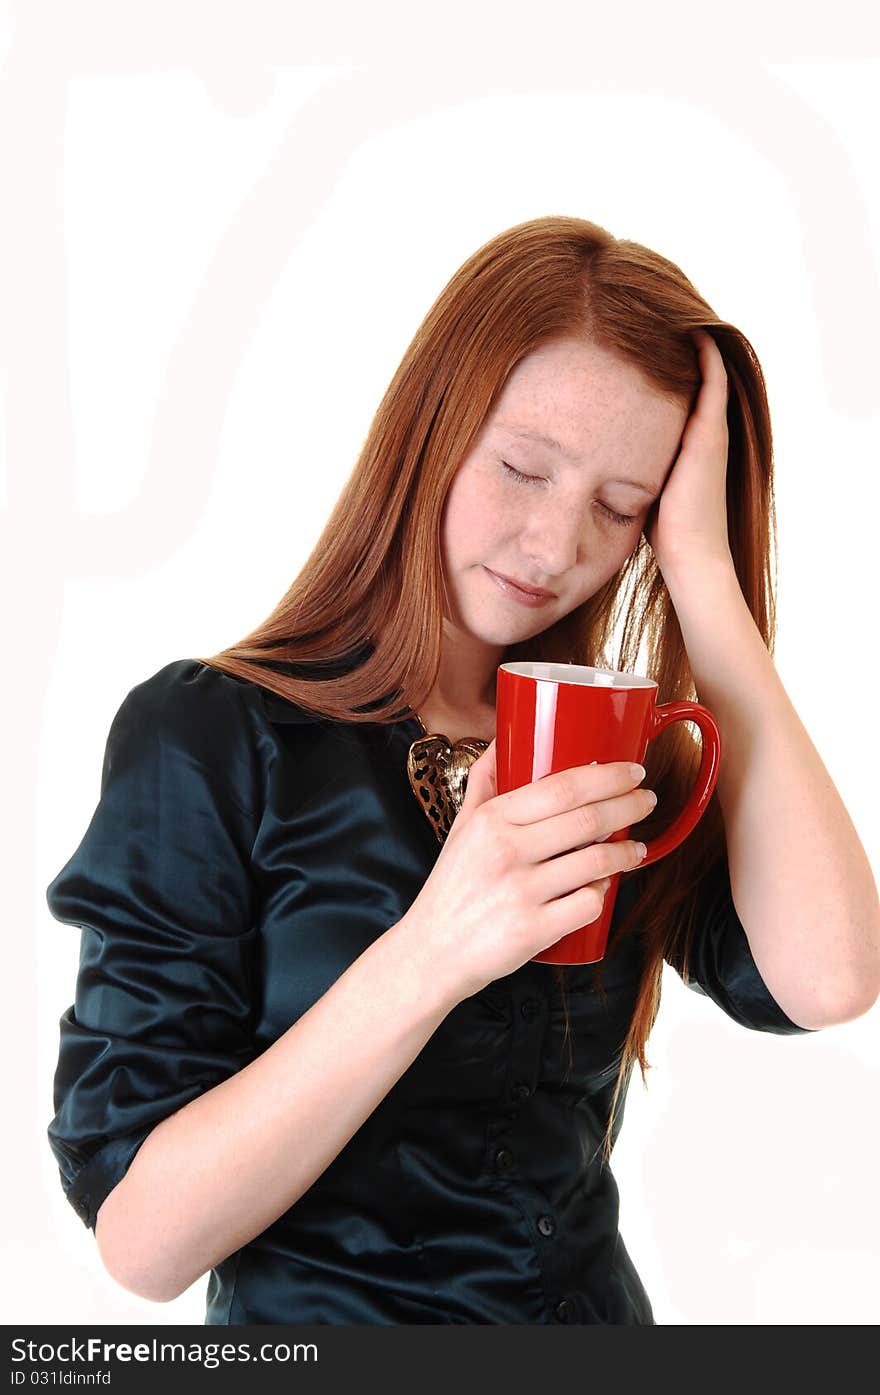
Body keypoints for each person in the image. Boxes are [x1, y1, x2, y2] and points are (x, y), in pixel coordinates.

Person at [45, 215, 879, 1325]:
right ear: (431, 430)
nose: (551, 547)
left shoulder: (608, 750)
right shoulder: (211, 737)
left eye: (619, 509)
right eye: (523, 469)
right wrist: (439, 945)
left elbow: (828, 979)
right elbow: (144, 1244)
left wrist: (703, 574)